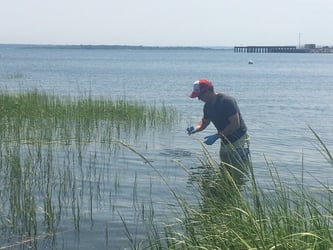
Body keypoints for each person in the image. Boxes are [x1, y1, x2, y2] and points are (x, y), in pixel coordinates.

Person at [187, 79, 250, 178]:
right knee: (225, 168)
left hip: (239, 140)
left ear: (208, 91)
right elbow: (204, 122)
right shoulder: (207, 107)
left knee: (237, 170)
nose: (199, 99)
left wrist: (216, 136)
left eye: (200, 96)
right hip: (225, 140)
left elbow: (235, 124)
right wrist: (195, 129)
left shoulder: (227, 101)